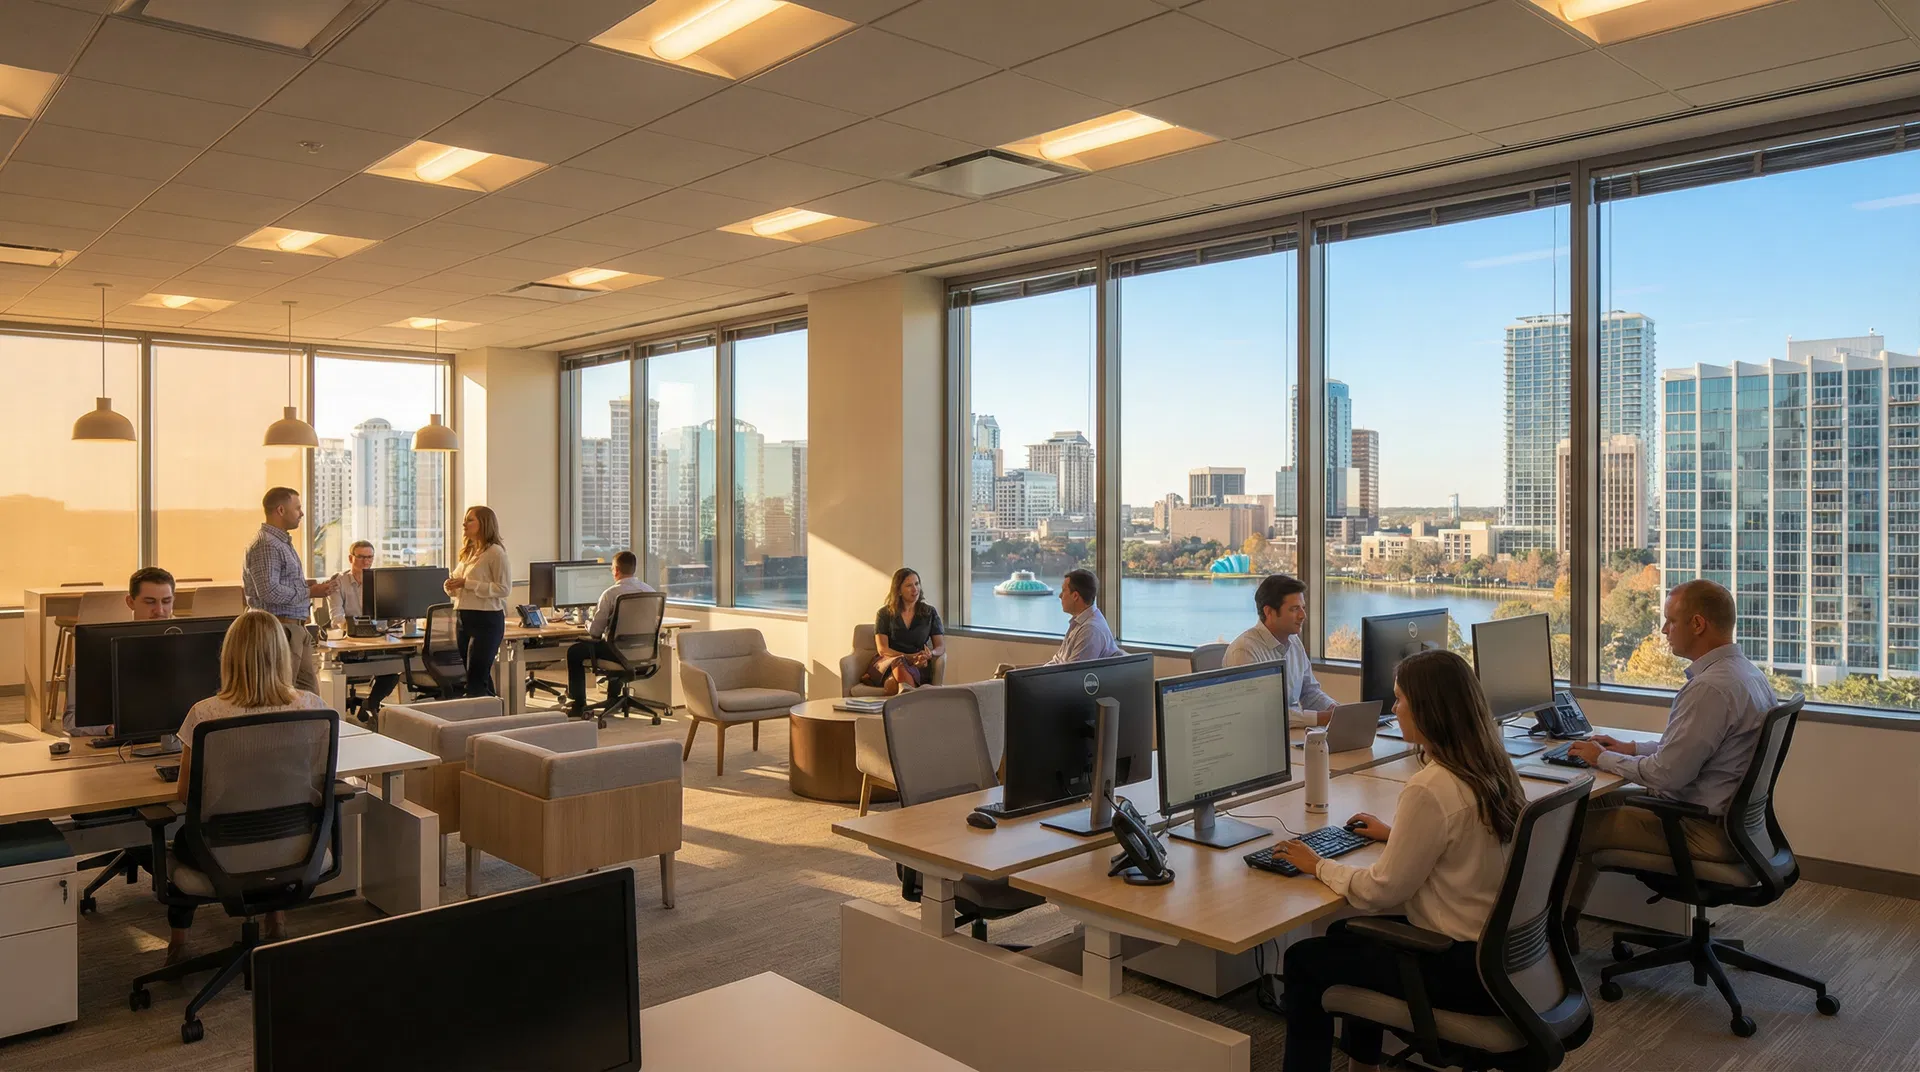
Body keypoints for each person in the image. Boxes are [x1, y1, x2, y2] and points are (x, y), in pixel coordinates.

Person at [1271, 649, 1527, 1072]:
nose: (1395, 709)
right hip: (1503, 958)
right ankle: (1363, 1066)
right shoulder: (1491, 765)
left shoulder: (1431, 787)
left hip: (1457, 968)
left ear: (1428, 710)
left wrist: (1317, 864)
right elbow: (1467, 839)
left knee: (1303, 960)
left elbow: (1379, 892)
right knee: (1343, 933)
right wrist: (1398, 835)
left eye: (1400, 700)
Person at [1561, 578, 1769, 947]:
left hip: (1698, 831)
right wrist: (1629, 748)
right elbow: (1695, 749)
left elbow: (1669, 775)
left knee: (1559, 828)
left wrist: (1601, 757)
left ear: (1698, 624)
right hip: (1734, 828)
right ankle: (1566, 924)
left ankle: (1544, 937)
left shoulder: (1709, 688)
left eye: (1670, 621)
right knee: (1606, 800)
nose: (1663, 630)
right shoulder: (1746, 675)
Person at [167, 609, 328, 963]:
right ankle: (276, 920)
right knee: (271, 821)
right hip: (295, 843)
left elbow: (184, 795)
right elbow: (317, 780)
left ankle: (179, 943)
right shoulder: (313, 707)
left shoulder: (206, 714)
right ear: (282, 655)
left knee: (178, 838)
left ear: (229, 656)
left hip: (221, 849)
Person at [63, 567, 176, 736]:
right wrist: (109, 729)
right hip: (125, 744)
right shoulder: (98, 646)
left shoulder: (188, 646)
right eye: (150, 602)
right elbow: (71, 720)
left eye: (166, 601)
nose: (160, 611)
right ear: (130, 602)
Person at [243, 486, 334, 694]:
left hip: (295, 628)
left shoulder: (281, 543)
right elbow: (269, 592)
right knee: (283, 696)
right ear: (281, 510)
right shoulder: (267, 545)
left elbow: (280, 586)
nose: (301, 513)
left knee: (309, 697)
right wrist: (309, 592)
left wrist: (309, 587)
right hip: (279, 629)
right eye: (298, 508)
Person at [1222, 574, 1337, 728]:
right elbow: (1261, 714)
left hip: (1292, 735)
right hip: (1259, 740)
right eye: (1294, 609)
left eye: (1303, 607)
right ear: (1269, 612)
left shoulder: (1294, 642)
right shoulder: (1244, 651)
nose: (1303, 615)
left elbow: (1309, 692)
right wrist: (1319, 718)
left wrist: (1336, 710)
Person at [566, 551, 655, 718]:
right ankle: (613, 699)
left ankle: (579, 705)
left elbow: (595, 632)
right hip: (644, 651)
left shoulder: (610, 594)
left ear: (616, 570)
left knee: (575, 651)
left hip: (617, 653)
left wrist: (585, 621)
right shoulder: (649, 590)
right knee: (613, 644)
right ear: (634, 569)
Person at [326, 540, 400, 719]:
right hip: (351, 642)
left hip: (378, 639)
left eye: (369, 557)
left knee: (395, 668)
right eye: (361, 557)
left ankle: (370, 704)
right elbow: (336, 617)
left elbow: (388, 613)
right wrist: (356, 626)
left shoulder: (380, 582)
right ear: (351, 558)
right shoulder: (339, 583)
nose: (366, 561)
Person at [445, 505, 510, 698]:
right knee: (476, 677)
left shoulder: (495, 553)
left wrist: (468, 583)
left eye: (470, 519)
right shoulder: (469, 552)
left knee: (474, 681)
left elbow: (504, 589)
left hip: (486, 620)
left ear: (484, 523)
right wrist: (451, 585)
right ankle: (494, 714)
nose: (464, 523)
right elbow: (459, 585)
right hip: (464, 617)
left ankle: (478, 719)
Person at [864, 567, 944, 695]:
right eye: (909, 586)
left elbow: (940, 647)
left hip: (919, 665)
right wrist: (908, 657)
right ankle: (912, 706)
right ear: (899, 590)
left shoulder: (929, 612)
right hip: (889, 663)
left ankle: (901, 703)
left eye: (917, 584)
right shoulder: (884, 614)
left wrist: (930, 654)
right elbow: (882, 649)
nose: (915, 589)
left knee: (891, 684)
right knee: (899, 662)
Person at [1045, 568, 1122, 665]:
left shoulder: (1090, 630)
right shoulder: (1079, 623)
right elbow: (1058, 661)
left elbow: (1072, 674)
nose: (1060, 596)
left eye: (1064, 591)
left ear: (1075, 596)